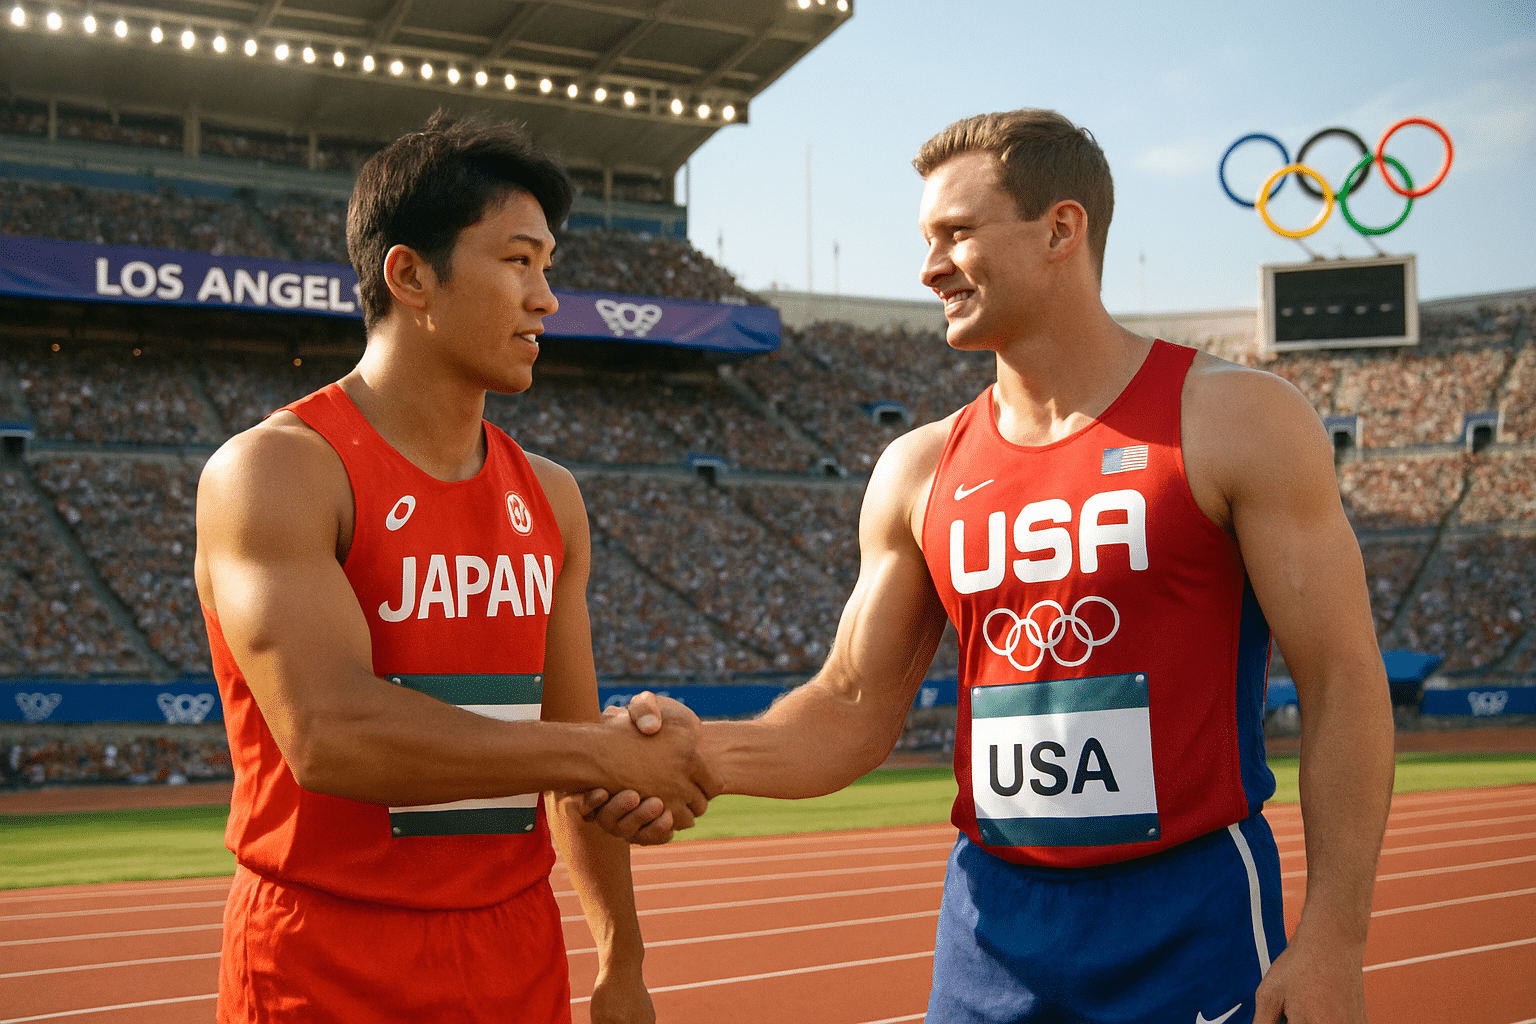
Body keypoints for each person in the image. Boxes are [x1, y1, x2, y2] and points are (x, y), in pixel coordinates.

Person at [590, 110, 1394, 1024]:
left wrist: (1334, 937)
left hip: (1189, 919)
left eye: (956, 234)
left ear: (1060, 230)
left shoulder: (1236, 418)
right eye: (926, 239)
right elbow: (850, 708)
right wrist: (694, 752)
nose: (929, 268)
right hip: (990, 932)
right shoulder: (919, 469)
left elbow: (1341, 679)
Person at [194, 112, 717, 1024]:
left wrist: (622, 959)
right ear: (409, 276)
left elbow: (575, 761)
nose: (546, 298)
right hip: (327, 955)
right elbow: (332, 734)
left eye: (548, 266)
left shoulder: (552, 497)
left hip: (517, 946)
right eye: (518, 261)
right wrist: (596, 750)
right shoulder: (276, 470)